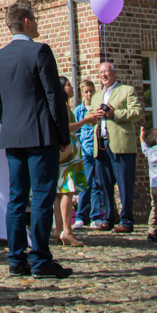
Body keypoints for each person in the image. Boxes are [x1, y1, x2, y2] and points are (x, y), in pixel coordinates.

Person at [0, 2, 72, 279]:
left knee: (16, 198)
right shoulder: (39, 50)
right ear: (26, 22)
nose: (36, 24)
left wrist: (11, 124)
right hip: (40, 134)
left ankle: (16, 259)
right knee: (42, 198)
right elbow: (54, 97)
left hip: (13, 136)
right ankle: (40, 259)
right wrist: (63, 135)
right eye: (34, 19)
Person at [88, 62, 144, 233]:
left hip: (121, 144)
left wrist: (115, 114)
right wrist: (94, 116)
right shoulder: (97, 96)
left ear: (114, 73)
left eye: (106, 71)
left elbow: (138, 112)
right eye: (101, 72)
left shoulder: (126, 91)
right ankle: (108, 218)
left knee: (124, 183)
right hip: (102, 144)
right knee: (104, 184)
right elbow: (90, 117)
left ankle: (126, 220)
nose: (103, 75)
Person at [52, 76, 97, 247]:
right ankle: (67, 231)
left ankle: (58, 229)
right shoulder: (62, 105)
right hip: (67, 151)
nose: (71, 87)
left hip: (65, 152)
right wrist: (86, 120)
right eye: (68, 85)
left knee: (59, 192)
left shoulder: (61, 105)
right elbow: (65, 127)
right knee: (67, 192)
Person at [72, 79, 97, 229]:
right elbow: (76, 132)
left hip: (98, 150)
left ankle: (95, 216)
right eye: (86, 92)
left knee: (97, 184)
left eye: (91, 91)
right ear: (82, 93)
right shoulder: (78, 111)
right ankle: (81, 215)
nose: (89, 94)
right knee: (86, 183)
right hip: (85, 150)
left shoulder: (96, 108)